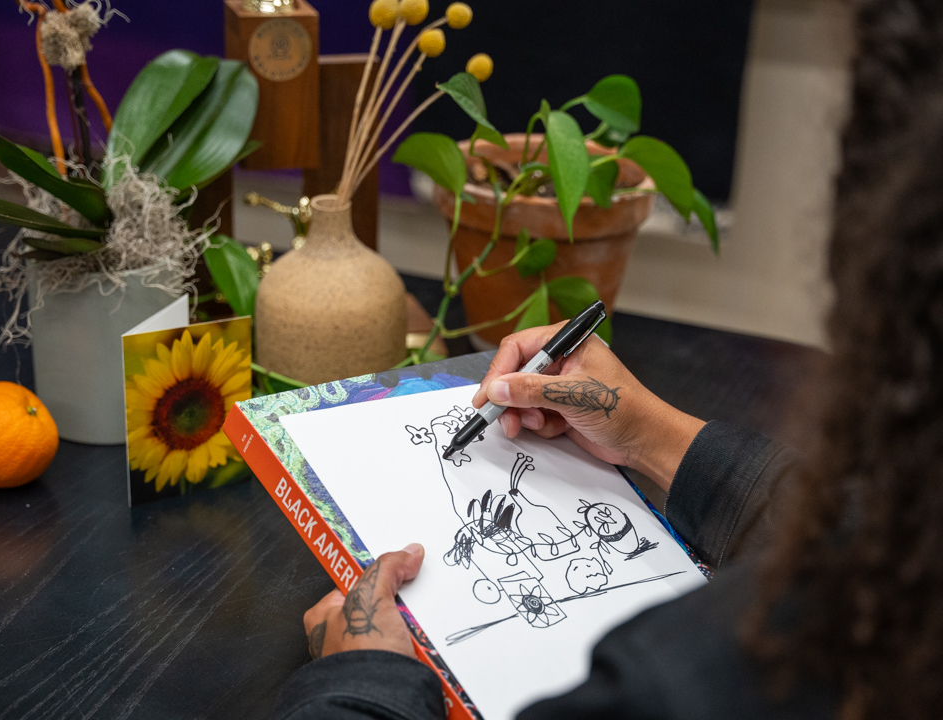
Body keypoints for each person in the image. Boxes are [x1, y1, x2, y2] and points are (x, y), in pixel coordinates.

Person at [274, 1, 943, 718]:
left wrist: (360, 684)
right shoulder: (907, 550)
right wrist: (654, 434)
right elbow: (860, 529)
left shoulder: (678, 684)